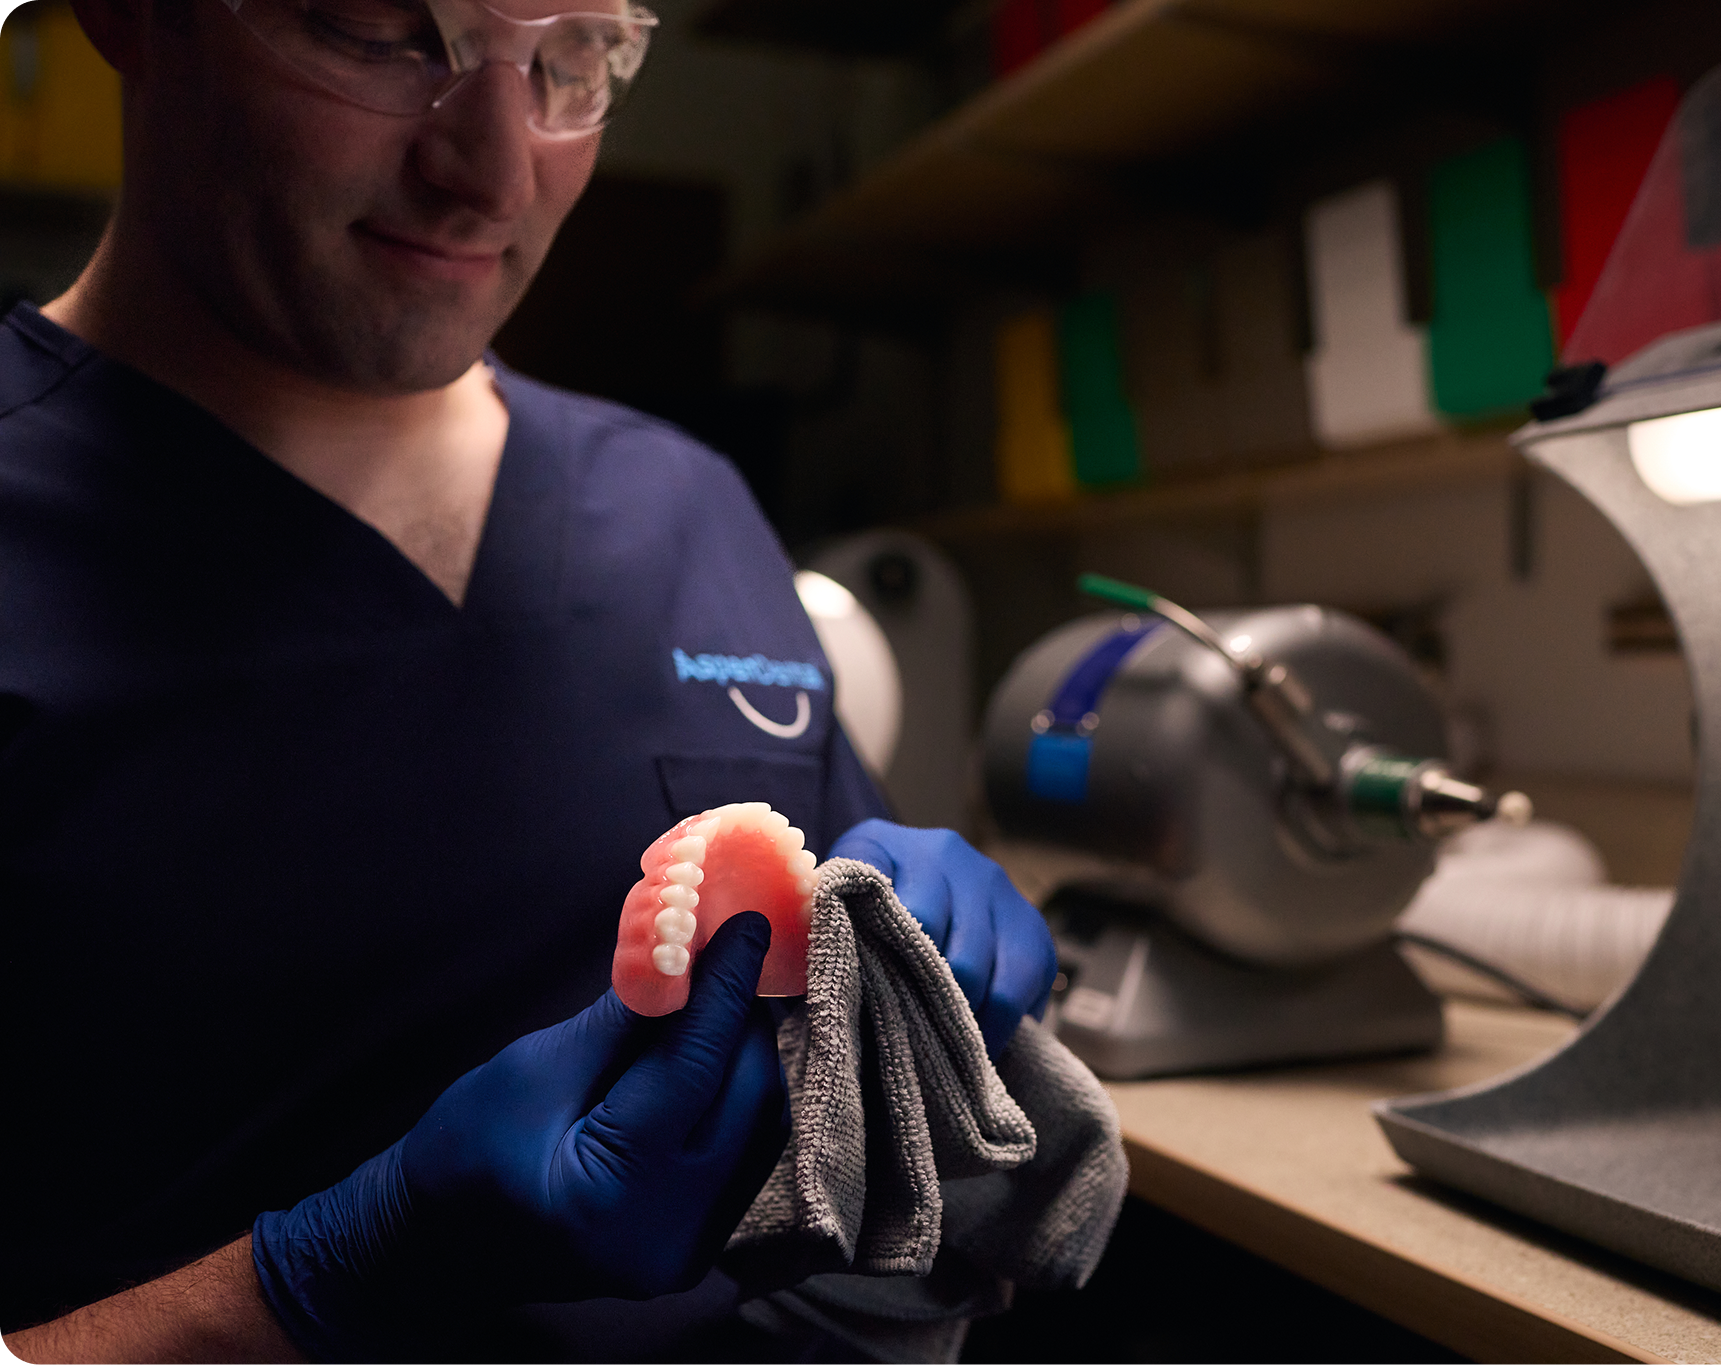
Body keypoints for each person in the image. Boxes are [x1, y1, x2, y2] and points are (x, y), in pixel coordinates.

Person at [0, 0, 1058, 1358]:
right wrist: (328, 1276)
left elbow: (844, 1090)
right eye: (383, 30)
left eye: (573, 59)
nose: (496, 170)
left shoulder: (682, 504)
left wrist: (913, 985)